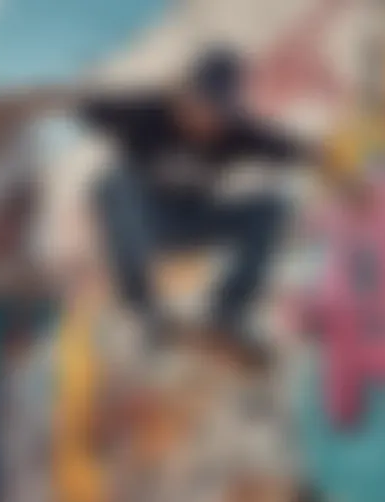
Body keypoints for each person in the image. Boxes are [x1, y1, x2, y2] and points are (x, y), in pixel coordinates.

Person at [80, 46, 321, 350]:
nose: (209, 120)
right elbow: (91, 108)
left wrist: (321, 156)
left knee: (272, 207)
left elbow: (289, 148)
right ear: (186, 95)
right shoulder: (146, 112)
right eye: (203, 106)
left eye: (219, 111)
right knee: (113, 183)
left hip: (191, 224)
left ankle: (227, 313)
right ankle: (143, 309)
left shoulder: (236, 133)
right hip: (143, 224)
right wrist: (88, 88)